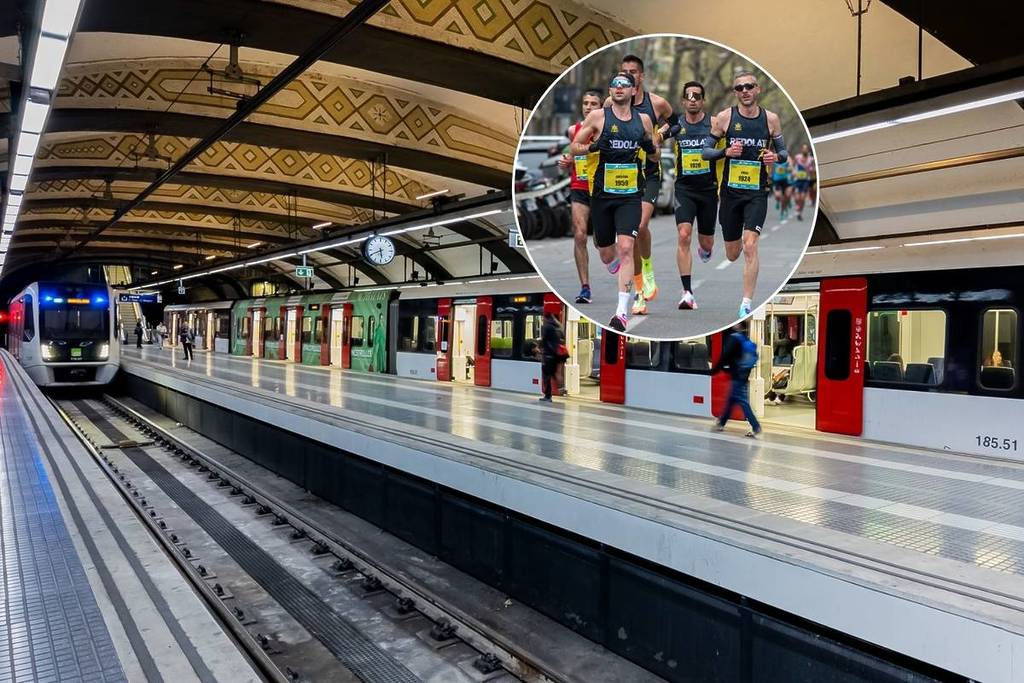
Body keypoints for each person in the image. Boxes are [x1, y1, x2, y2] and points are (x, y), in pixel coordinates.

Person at [572, 72, 658, 332]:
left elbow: (654, 158)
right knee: (608, 252)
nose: (619, 88)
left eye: (625, 85)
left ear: (634, 91)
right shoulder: (598, 117)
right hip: (602, 195)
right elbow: (574, 146)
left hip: (631, 195)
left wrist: (650, 146)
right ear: (610, 91)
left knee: (625, 247)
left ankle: (621, 312)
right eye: (615, 85)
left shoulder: (643, 121)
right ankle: (612, 261)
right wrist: (593, 147)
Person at [704, 71, 790, 318]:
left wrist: (776, 157)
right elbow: (705, 151)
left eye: (749, 86)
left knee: (750, 245)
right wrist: (725, 152)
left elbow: (783, 153)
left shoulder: (771, 119)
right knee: (733, 254)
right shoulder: (725, 118)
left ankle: (746, 303)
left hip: (757, 193)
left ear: (758, 89)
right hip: (730, 193)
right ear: (735, 92)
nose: (745, 91)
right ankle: (732, 247)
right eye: (740, 88)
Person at [608, 54, 673, 316]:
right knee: (628, 238)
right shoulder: (610, 103)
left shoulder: (655, 103)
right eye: (624, 71)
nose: (629, 76)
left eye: (633, 72)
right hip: (623, 176)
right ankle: (639, 293)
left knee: (640, 225)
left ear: (641, 76)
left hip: (649, 173)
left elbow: (675, 123)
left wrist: (661, 134)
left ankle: (647, 268)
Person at [670, 81, 718, 311]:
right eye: (688, 96)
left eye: (697, 96)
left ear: (703, 101)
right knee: (684, 234)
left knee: (706, 241)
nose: (692, 100)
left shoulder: (715, 123)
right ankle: (687, 292)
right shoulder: (676, 124)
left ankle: (705, 249)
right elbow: (654, 140)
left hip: (708, 190)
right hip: (684, 189)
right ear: (682, 101)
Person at [558, 89, 604, 304]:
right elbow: (572, 155)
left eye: (593, 103)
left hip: (603, 189)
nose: (588, 107)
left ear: (601, 107)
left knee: (603, 245)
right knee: (579, 234)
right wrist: (567, 162)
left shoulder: (607, 129)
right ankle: (585, 286)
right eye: (585, 103)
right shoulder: (573, 130)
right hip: (580, 186)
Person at [711, 320, 762, 437]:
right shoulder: (746, 339)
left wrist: (715, 370)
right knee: (731, 399)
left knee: (742, 401)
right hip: (744, 374)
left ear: (738, 325)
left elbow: (725, 356)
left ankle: (756, 427)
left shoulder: (734, 338)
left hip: (737, 374)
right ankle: (721, 423)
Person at [539, 311, 562, 402]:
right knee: (553, 373)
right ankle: (560, 386)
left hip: (548, 354)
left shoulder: (547, 327)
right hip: (556, 354)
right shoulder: (558, 326)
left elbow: (544, 340)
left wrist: (540, 349)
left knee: (546, 376)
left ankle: (548, 396)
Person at [791, 144, 813, 221]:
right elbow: (792, 165)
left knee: (803, 198)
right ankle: (797, 206)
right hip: (797, 179)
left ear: (808, 150)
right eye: (803, 149)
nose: (804, 150)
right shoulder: (798, 157)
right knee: (797, 198)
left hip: (805, 180)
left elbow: (812, 169)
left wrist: (809, 170)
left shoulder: (810, 159)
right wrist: (793, 171)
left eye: (806, 149)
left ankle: (799, 212)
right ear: (801, 150)